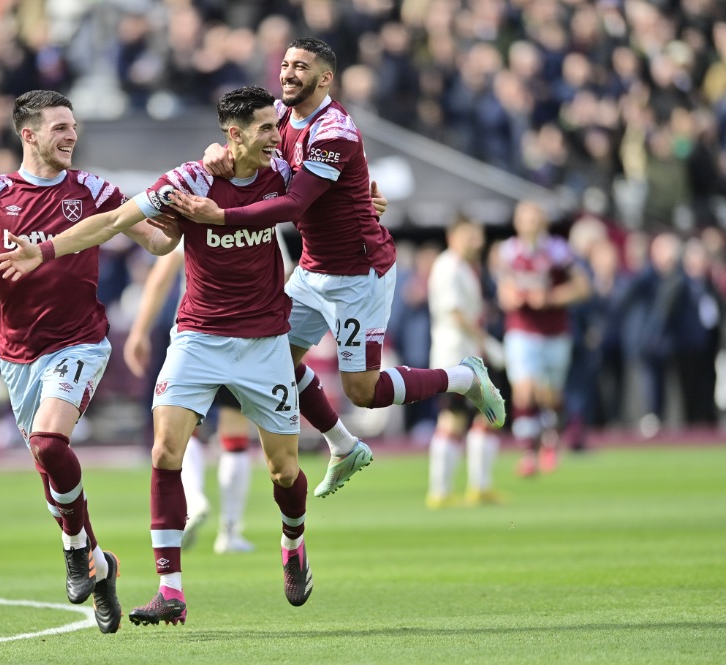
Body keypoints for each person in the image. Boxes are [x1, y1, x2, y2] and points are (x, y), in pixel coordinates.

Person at [0, 86, 314, 626]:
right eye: (264, 127)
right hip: (198, 336)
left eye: (274, 126)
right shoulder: (188, 178)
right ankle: (171, 591)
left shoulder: (282, 174)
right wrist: (44, 250)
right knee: (166, 450)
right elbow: (113, 222)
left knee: (284, 470)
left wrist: (366, 209)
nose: (275, 135)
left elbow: (324, 209)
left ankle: (293, 543)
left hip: (264, 340)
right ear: (233, 134)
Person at [176, 37, 506, 499]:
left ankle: (465, 377)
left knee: (363, 391)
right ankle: (342, 444)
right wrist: (217, 148)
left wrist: (222, 216)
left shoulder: (336, 131)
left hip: (358, 274)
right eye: (286, 64)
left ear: (325, 78)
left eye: (300, 67)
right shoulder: (281, 113)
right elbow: (242, 130)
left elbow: (293, 204)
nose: (288, 73)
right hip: (313, 268)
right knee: (274, 358)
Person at [0, 90, 181, 634]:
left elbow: (155, 242)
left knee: (48, 443)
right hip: (18, 354)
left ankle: (72, 552)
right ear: (28, 135)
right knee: (47, 466)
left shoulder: (95, 190)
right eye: (59, 128)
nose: (71, 136)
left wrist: (182, 217)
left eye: (74, 127)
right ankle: (98, 564)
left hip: (80, 343)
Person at [123, 248, 257, 555]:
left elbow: (161, 275)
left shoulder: (193, 209)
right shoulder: (260, 208)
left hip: (193, 335)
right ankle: (230, 532)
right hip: (245, 332)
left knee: (183, 428)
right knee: (234, 431)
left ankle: (194, 500)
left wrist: (139, 331)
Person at [495, 200, 592, 476]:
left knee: (550, 394)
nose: (530, 224)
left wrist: (550, 298)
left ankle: (551, 438)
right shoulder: (508, 251)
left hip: (555, 331)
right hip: (521, 330)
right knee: (525, 390)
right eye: (525, 219)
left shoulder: (558, 251)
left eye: (535, 218)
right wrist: (510, 296)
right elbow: (502, 289)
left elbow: (583, 287)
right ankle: (527, 454)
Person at [425, 216, 504, 508]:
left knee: (486, 414)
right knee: (453, 419)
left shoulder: (466, 267)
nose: (478, 242)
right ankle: (440, 491)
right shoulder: (448, 267)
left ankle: (478, 487)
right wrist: (487, 341)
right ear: (453, 236)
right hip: (454, 355)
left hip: (468, 354)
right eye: (471, 236)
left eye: (479, 235)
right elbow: (455, 313)